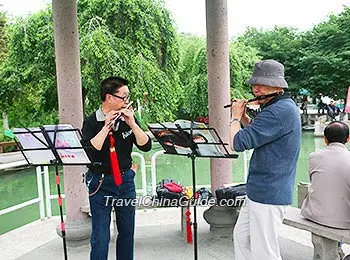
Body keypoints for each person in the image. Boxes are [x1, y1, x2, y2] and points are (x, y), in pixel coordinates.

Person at [229, 59, 301, 260]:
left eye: (261, 84)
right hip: (259, 189)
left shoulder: (279, 111)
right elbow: (258, 131)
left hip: (270, 192)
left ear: (278, 86)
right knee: (242, 238)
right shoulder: (276, 107)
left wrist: (235, 117)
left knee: (265, 251)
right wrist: (244, 117)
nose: (256, 88)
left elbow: (237, 142)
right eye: (254, 83)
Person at [81, 76, 152, 260]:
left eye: (128, 97)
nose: (126, 101)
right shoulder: (91, 122)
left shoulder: (127, 118)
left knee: (127, 233)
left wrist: (133, 124)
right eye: (123, 97)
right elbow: (90, 151)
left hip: (125, 182)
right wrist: (106, 127)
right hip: (100, 183)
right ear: (109, 97)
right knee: (101, 236)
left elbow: (146, 145)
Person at [301, 121, 350, 259]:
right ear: (348, 139)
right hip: (344, 221)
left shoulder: (314, 157)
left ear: (325, 139)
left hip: (315, 214)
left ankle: (337, 250)